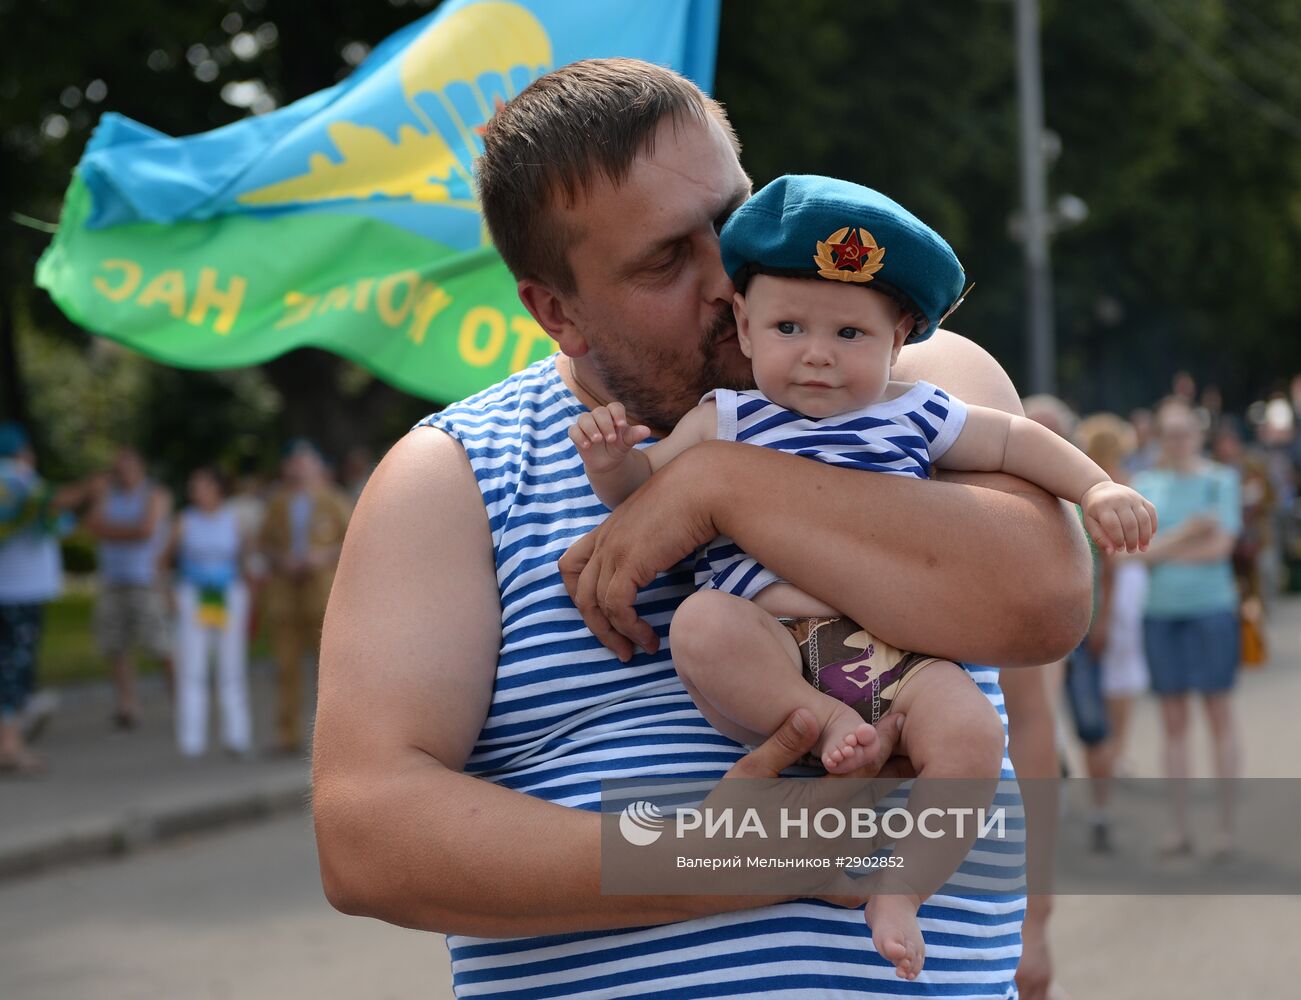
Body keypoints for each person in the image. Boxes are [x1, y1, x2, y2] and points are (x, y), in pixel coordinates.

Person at [313, 59, 1092, 998]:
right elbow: (365, 837)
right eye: (663, 261)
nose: (729, 280)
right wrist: (701, 857)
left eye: (732, 221)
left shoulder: (908, 371)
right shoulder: (453, 476)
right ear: (556, 311)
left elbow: (1044, 598)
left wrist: (722, 485)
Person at [568, 175, 1153, 978]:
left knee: (975, 734)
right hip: (764, 643)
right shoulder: (725, 418)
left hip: (891, 653)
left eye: (849, 332)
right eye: (786, 326)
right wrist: (612, 465)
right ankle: (815, 720)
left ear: (900, 335)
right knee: (700, 622)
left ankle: (901, 889)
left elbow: (1015, 445)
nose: (815, 352)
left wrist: (1095, 488)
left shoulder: (915, 410)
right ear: (742, 323)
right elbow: (643, 499)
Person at [1134, 397, 1242, 858]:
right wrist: (1189, 533)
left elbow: (1221, 548)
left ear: (1197, 435)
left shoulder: (1221, 480)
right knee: (1173, 722)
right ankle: (1180, 826)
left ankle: (1226, 827)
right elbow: (1139, 551)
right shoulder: (1146, 483)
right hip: (1161, 613)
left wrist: (1165, 549)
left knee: (1218, 715)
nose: (1178, 441)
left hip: (1211, 609)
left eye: (1185, 432)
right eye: (1170, 432)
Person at [0, 423, 87, 774]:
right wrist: (92, 486)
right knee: (14, 669)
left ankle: (10, 739)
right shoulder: (15, 478)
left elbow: (57, 521)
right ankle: (10, 746)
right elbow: (54, 505)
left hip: (13, 590)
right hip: (18, 591)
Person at [258, 440, 351, 754]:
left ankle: (332, 739)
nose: (297, 469)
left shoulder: (333, 500)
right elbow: (263, 543)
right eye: (293, 462)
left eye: (304, 462)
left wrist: (321, 557)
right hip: (286, 594)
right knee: (285, 668)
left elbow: (352, 540)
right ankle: (287, 736)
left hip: (321, 595)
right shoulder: (277, 504)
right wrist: (281, 559)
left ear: (316, 467)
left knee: (327, 670)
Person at [159, 468, 253, 758]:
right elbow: (162, 561)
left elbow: (245, 560)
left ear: (216, 489)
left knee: (231, 666)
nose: (196, 492)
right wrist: (169, 595)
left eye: (201, 486)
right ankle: (191, 741)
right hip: (194, 595)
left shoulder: (233, 519)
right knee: (192, 666)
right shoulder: (184, 521)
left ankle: (236, 736)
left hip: (227, 595)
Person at [85, 446, 173, 729]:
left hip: (145, 582)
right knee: (116, 645)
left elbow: (145, 530)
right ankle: (127, 703)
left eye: (127, 466)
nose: (121, 472)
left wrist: (110, 531)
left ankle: (181, 697)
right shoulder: (108, 496)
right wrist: (101, 498)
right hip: (113, 581)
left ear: (140, 466)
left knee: (159, 644)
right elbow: (92, 525)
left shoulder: (155, 494)